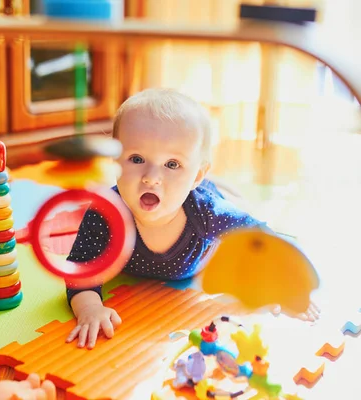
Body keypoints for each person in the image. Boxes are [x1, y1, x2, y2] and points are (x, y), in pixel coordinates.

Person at [64, 88, 318, 350]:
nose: (151, 177)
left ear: (196, 175)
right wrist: (89, 307)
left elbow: (260, 237)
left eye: (172, 164)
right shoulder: (105, 213)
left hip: (205, 211)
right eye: (137, 159)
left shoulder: (208, 213)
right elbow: (80, 268)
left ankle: (214, 184)